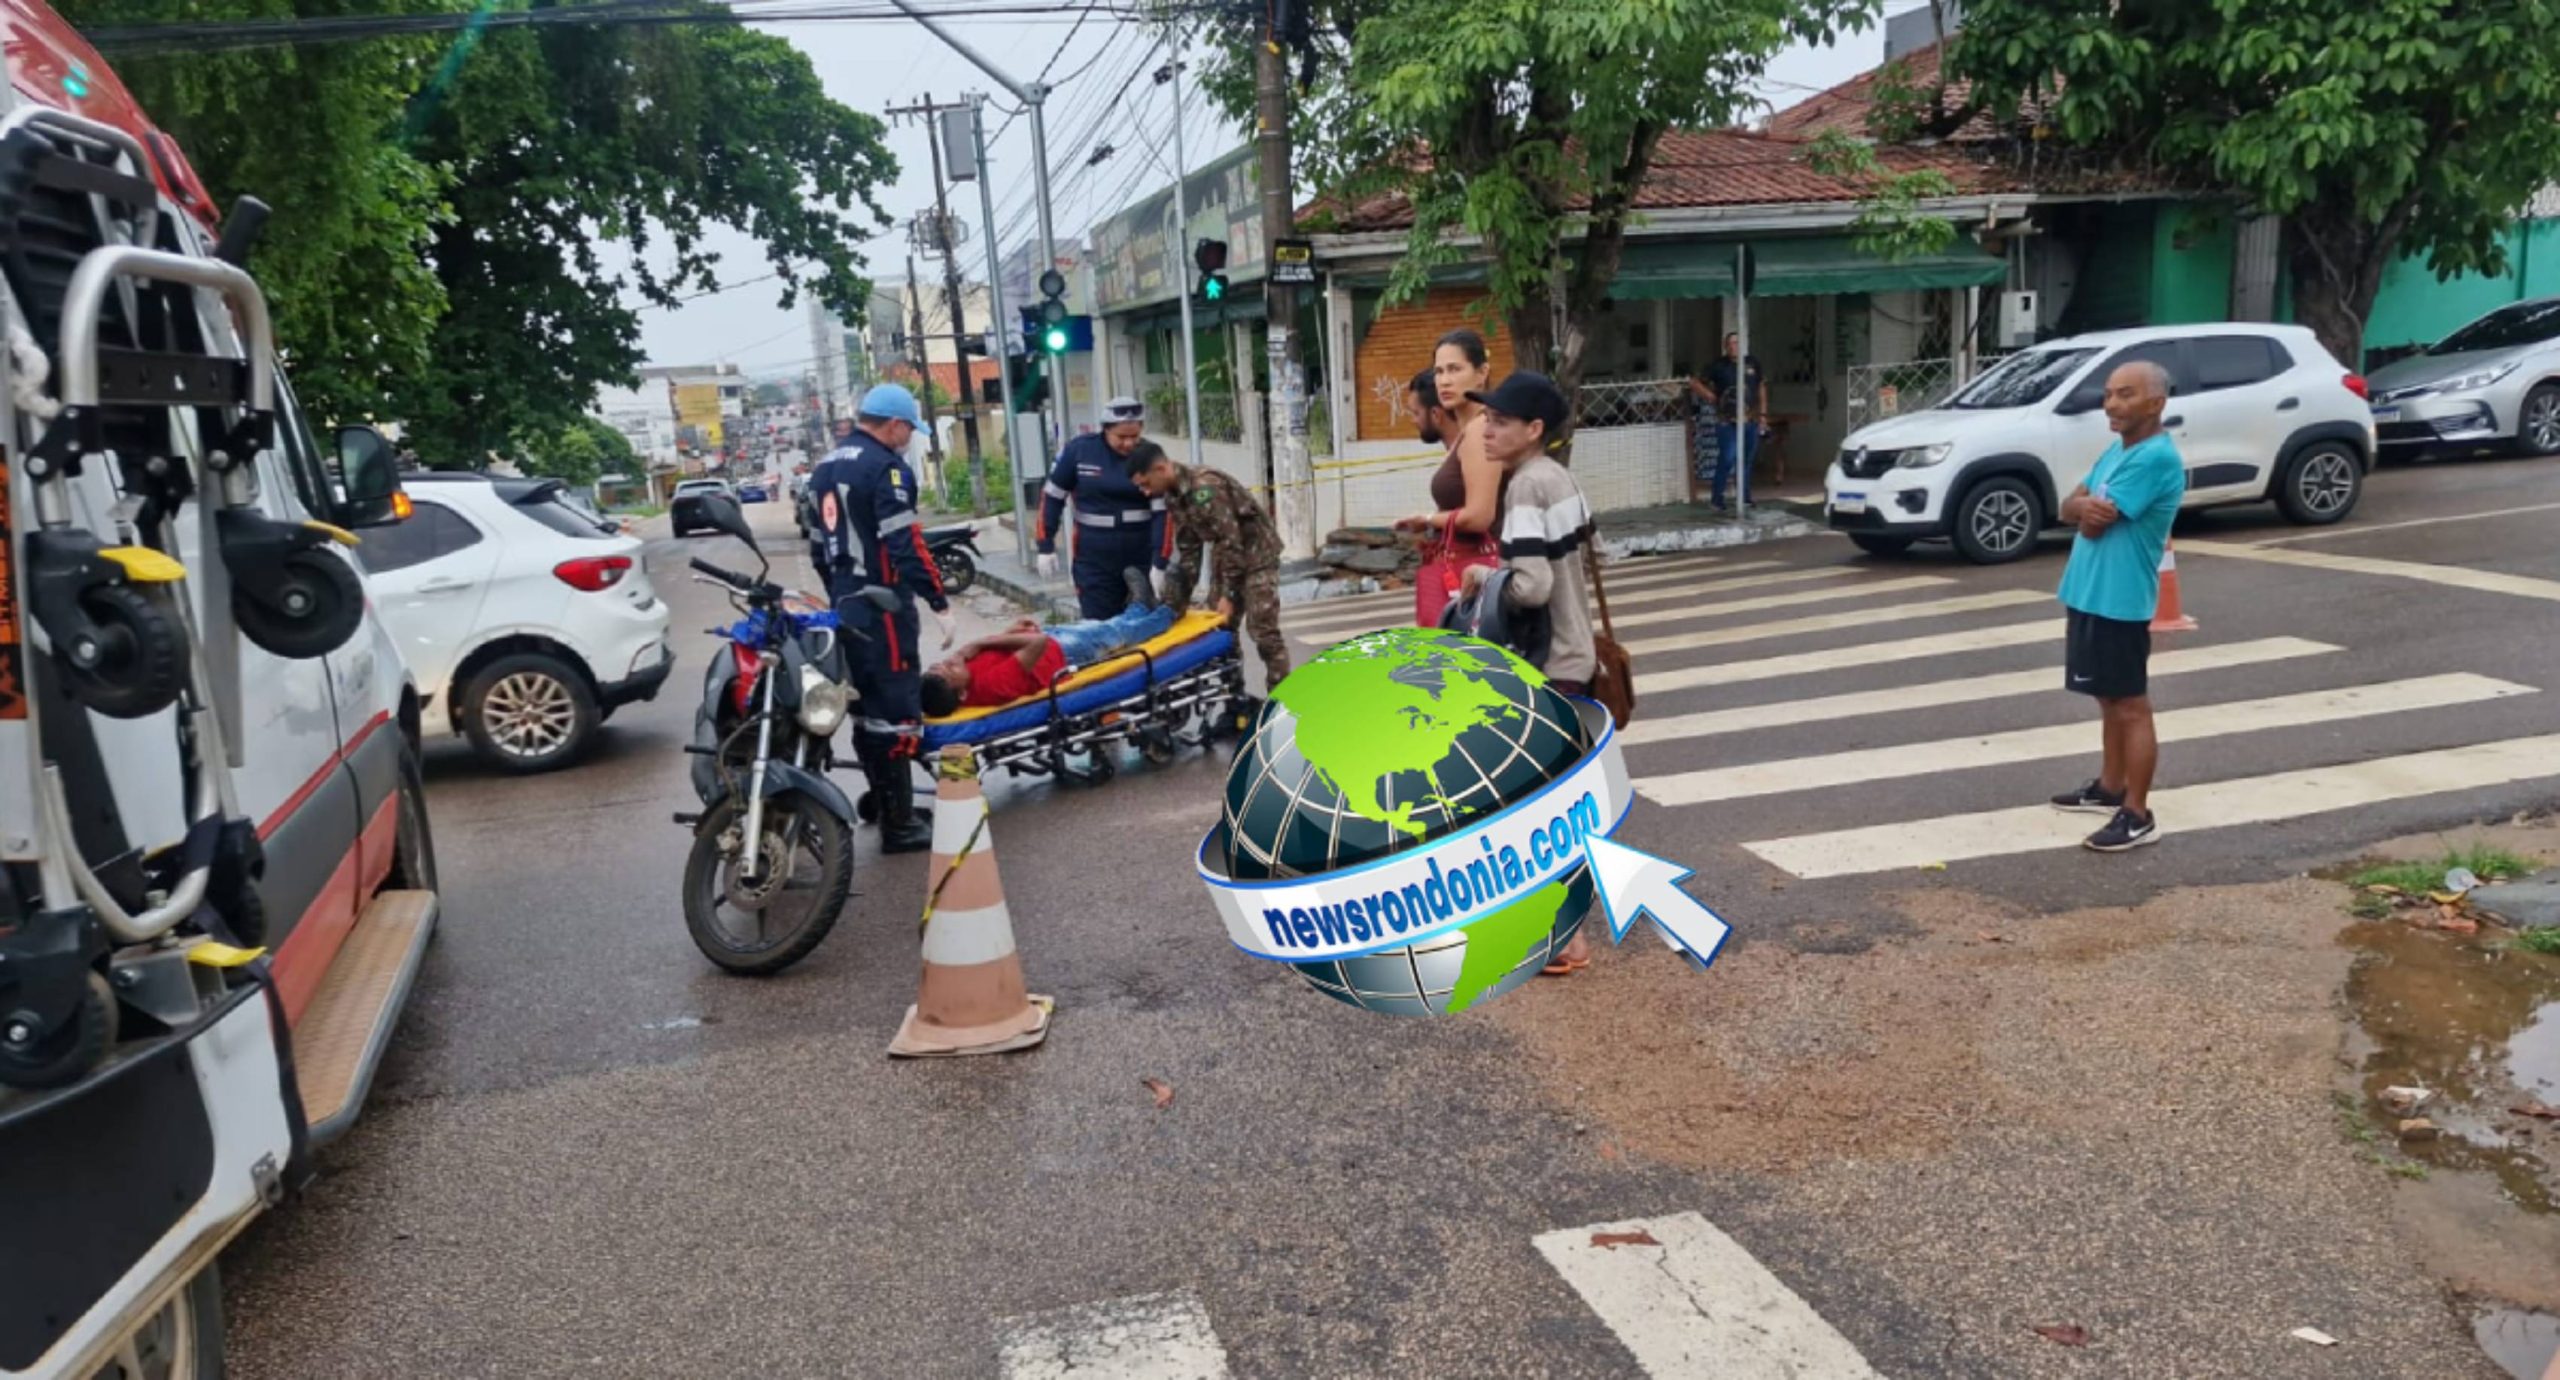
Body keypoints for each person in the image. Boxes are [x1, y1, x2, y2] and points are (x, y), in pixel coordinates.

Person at [1458, 371, 1601, 976]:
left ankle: (1565, 938)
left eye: (1499, 421)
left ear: (1534, 430)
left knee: (1534, 804)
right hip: (1580, 654)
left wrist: (1483, 580)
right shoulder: (1559, 477)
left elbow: (1533, 585)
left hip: (1548, 665)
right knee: (1555, 797)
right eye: (1486, 419)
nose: (1486, 430)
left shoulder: (1523, 489)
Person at [808, 383, 956, 855]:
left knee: (867, 707)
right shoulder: (885, 469)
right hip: (883, 607)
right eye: (910, 428)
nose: (910, 438)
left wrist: (840, 593)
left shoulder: (824, 468)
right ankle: (900, 824)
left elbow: (817, 548)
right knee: (895, 708)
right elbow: (905, 543)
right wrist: (938, 601)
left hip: (845, 602)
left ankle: (896, 806)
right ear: (893, 424)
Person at [2048, 360, 2187, 853]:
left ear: (2156, 402)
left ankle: (2138, 812)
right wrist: (2081, 507)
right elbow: (2069, 507)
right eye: (2108, 394)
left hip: (2120, 601)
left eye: (2125, 395)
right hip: (2089, 592)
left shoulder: (2154, 459)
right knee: (2107, 697)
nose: (2111, 404)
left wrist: (2083, 511)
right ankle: (2109, 787)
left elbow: (2092, 522)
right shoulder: (2117, 451)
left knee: (2130, 705)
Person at [1124, 440, 1291, 694]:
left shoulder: (1204, 487)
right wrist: (1178, 601)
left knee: (1263, 631)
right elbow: (1190, 549)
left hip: (1257, 557)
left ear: (1160, 469)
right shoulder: (1173, 496)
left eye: (1145, 484)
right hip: (1226, 558)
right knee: (1220, 630)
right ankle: (1235, 699)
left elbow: (1232, 540)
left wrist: (1230, 595)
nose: (1146, 492)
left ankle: (1282, 699)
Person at [919, 570, 1175, 715]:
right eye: (951, 669)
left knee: (1109, 626)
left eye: (941, 664)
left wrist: (1010, 632)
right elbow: (1036, 644)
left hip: (1051, 641)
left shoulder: (966, 677)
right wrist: (982, 643)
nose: (951, 660)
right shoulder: (993, 686)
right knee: (1118, 633)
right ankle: (1170, 611)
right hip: (1064, 653)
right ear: (962, 693)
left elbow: (1005, 652)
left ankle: (1140, 606)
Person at [1395, 329, 1504, 626]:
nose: (1444, 380)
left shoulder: (1481, 428)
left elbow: (1480, 516)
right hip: (1469, 572)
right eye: (1439, 371)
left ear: (1481, 373)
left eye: (1455, 369)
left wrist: (1428, 519)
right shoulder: (1468, 430)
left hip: (1480, 572)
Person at [1035, 396, 1166, 620]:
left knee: (1145, 623)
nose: (1128, 443)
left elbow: (1162, 513)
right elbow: (1052, 497)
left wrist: (1160, 562)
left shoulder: (1151, 455)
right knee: (1099, 624)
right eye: (1121, 437)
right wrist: (1045, 545)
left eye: (1134, 436)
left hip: (1140, 552)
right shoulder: (1080, 451)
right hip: (1094, 557)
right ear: (1105, 429)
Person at [1688, 332, 1767, 511]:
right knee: (1727, 458)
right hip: (1727, 421)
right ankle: (1717, 499)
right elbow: (1694, 382)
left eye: (1736, 343)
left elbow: (1761, 388)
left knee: (1746, 460)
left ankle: (1745, 498)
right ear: (1725, 347)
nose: (1733, 346)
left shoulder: (1753, 363)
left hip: (1750, 419)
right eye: (1730, 344)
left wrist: (1763, 415)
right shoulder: (1718, 365)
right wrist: (1709, 395)